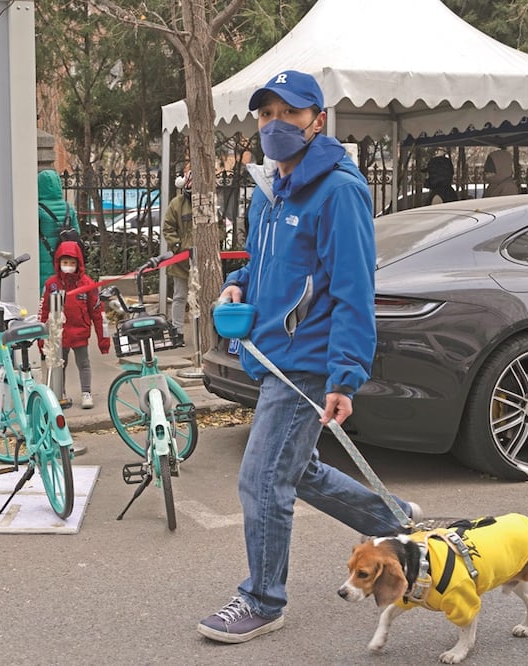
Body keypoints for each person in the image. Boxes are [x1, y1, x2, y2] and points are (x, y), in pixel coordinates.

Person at [197, 70, 421, 644]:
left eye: (289, 113)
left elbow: (352, 287)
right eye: (265, 114)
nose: (275, 124)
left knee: (261, 479)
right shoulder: (268, 189)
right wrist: (240, 282)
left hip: (307, 360)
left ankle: (263, 598)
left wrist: (345, 375)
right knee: (294, 469)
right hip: (271, 353)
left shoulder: (339, 189)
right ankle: (395, 522)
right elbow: (270, 262)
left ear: (317, 121)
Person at [39, 240, 110, 410]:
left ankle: (86, 393)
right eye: (65, 263)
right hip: (59, 335)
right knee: (58, 366)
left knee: (84, 364)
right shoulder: (51, 284)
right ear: (59, 263)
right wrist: (41, 339)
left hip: (80, 333)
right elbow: (43, 311)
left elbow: (97, 312)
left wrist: (103, 340)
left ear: (79, 263)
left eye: (72, 263)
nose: (68, 266)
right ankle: (59, 394)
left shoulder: (87, 284)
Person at [37, 169, 81, 289]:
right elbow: (77, 233)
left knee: (45, 286)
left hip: (44, 254)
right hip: (65, 254)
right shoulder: (68, 207)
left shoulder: (38, 209)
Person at [162, 169, 192, 339]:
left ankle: (206, 332)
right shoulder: (176, 204)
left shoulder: (208, 202)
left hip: (202, 261)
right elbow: (168, 227)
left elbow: (219, 228)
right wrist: (178, 246)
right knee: (180, 296)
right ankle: (177, 331)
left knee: (205, 298)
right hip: (181, 261)